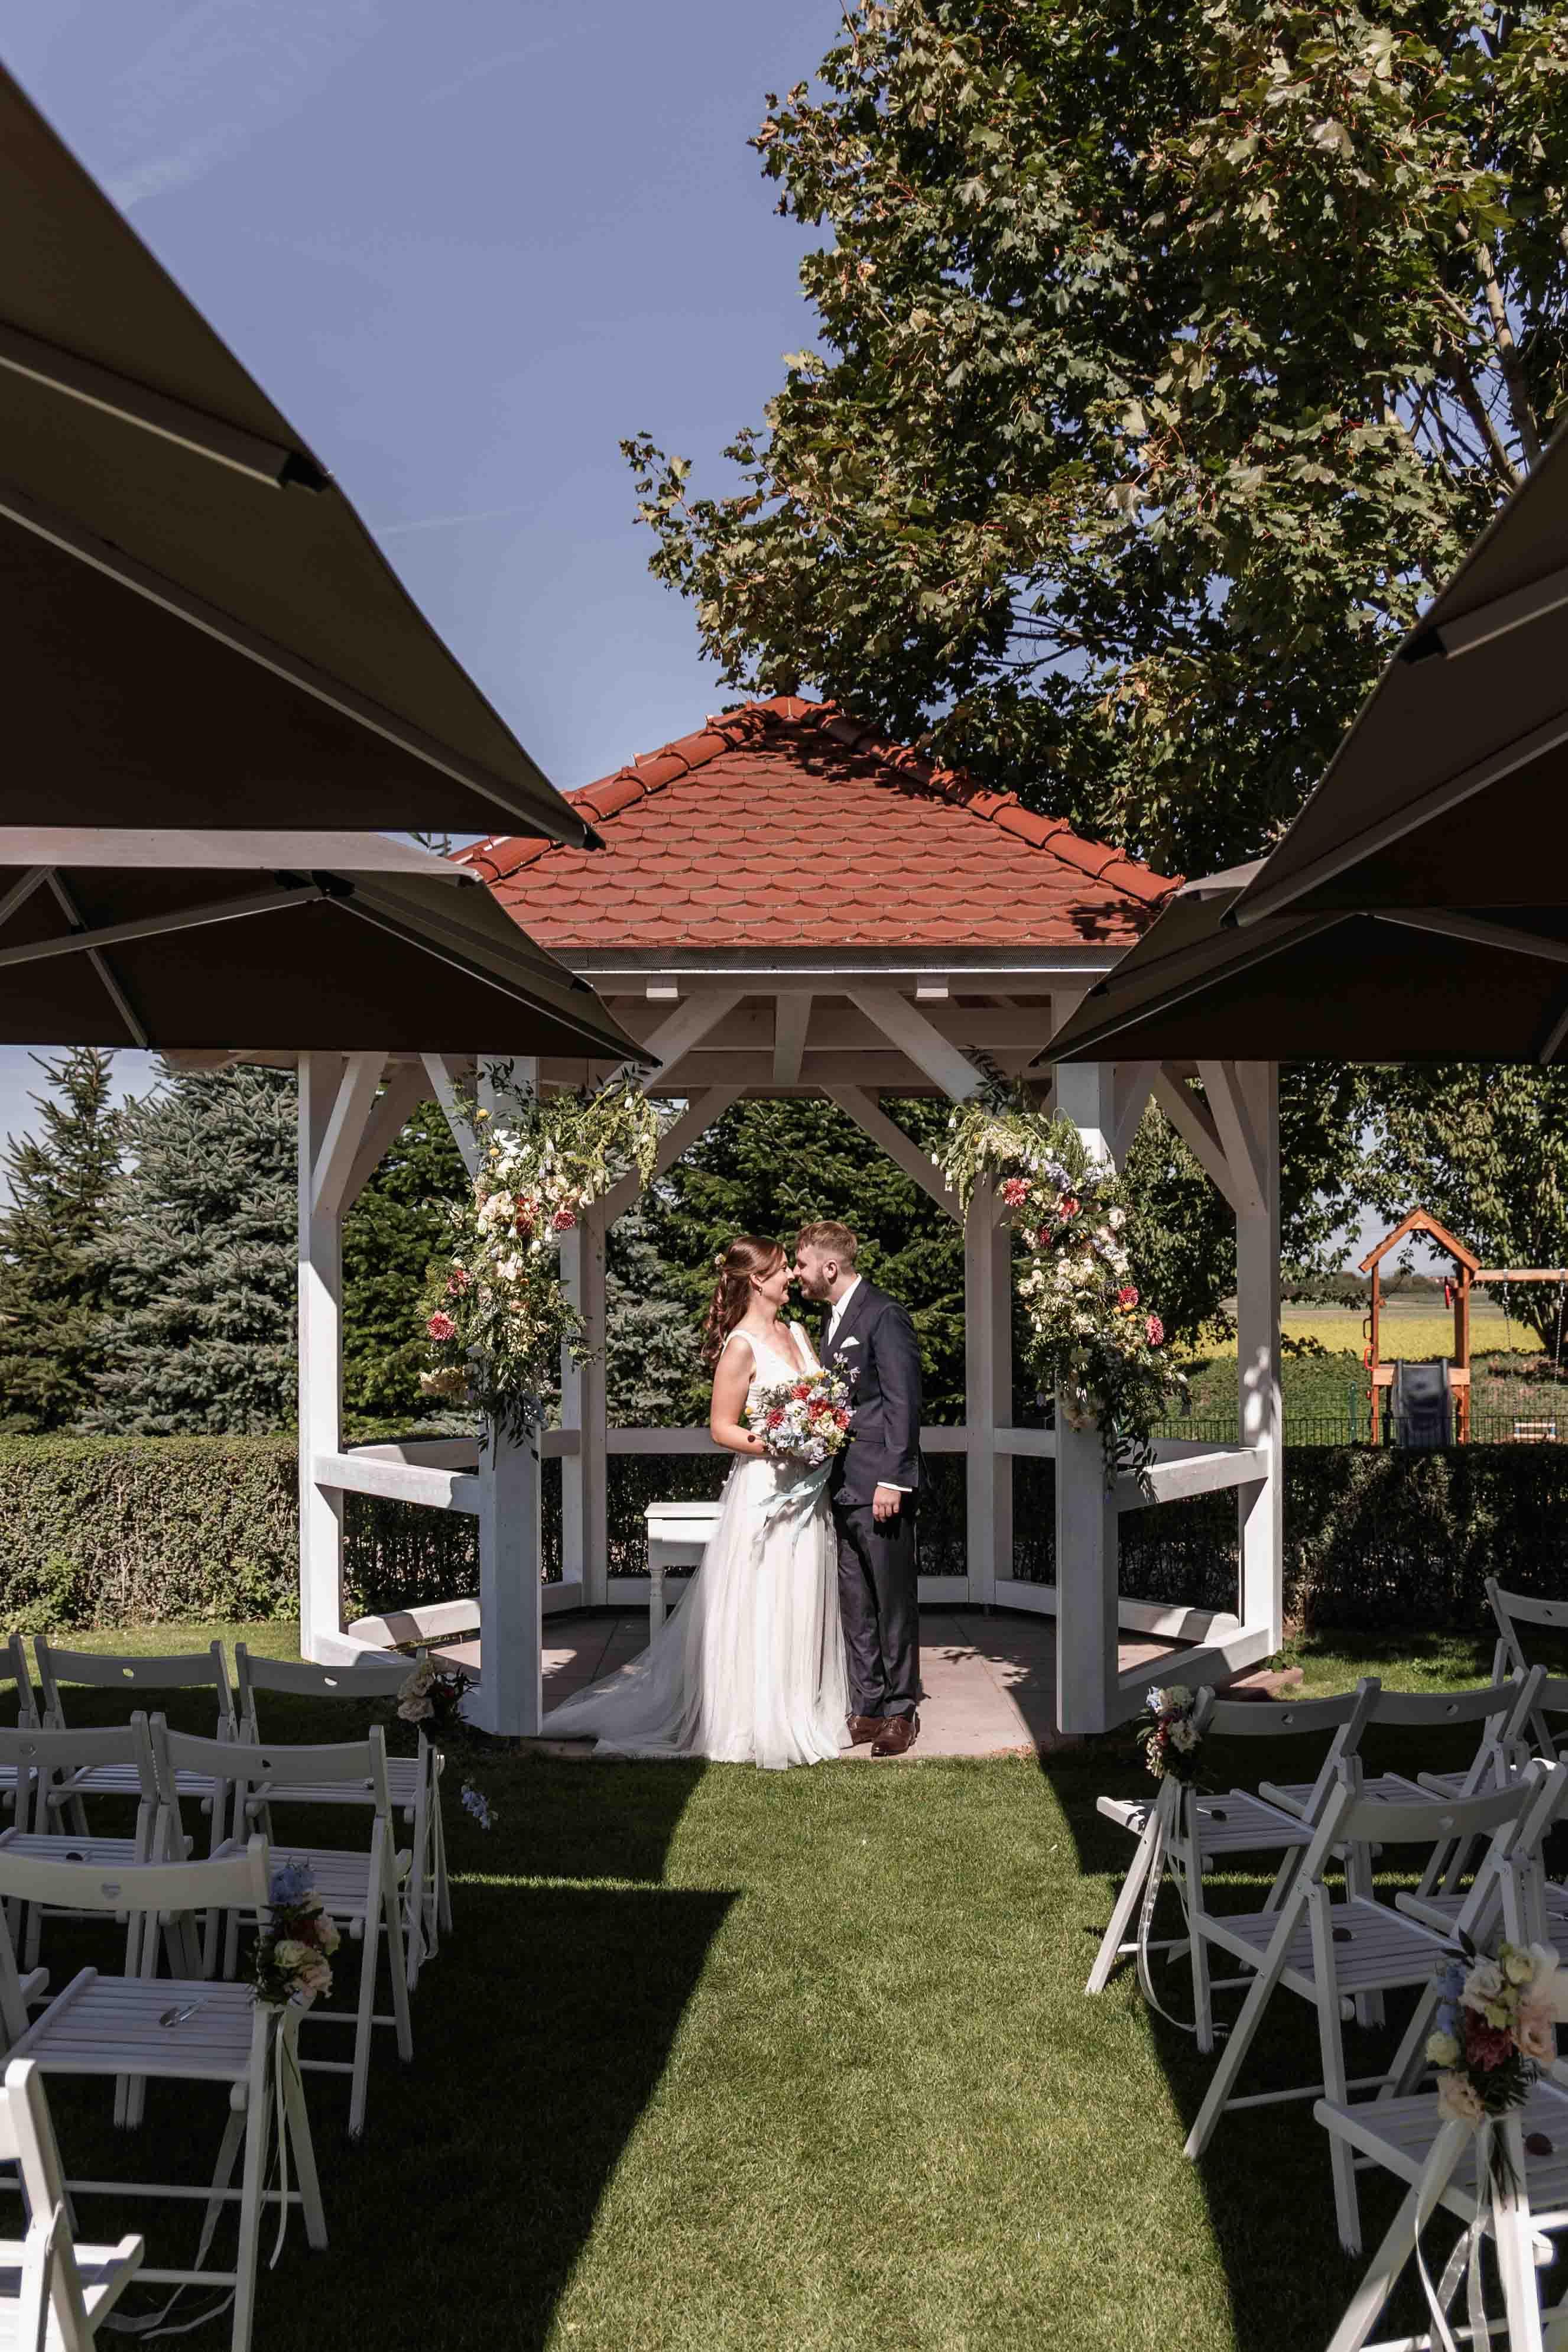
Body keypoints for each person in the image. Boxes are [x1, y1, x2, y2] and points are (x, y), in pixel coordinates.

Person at [543, 1236, 848, 1768]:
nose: (790, 1279)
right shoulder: (741, 1346)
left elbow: (816, 1398)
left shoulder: (798, 1332)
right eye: (781, 1270)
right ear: (757, 1280)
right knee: (763, 1599)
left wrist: (821, 1430)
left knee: (802, 1593)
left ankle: (798, 1707)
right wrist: (776, 1442)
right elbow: (721, 1427)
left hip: (807, 1491)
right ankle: (751, 1718)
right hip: (765, 1489)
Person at [793, 1221, 923, 1757]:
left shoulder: (884, 1315)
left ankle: (900, 1710)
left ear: (830, 1267)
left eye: (802, 1265)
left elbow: (902, 1402)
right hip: (843, 1485)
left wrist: (893, 1478)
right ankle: (867, 1707)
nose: (797, 1274)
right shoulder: (830, 1320)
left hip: (880, 1485)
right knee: (856, 1602)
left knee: (891, 1601)